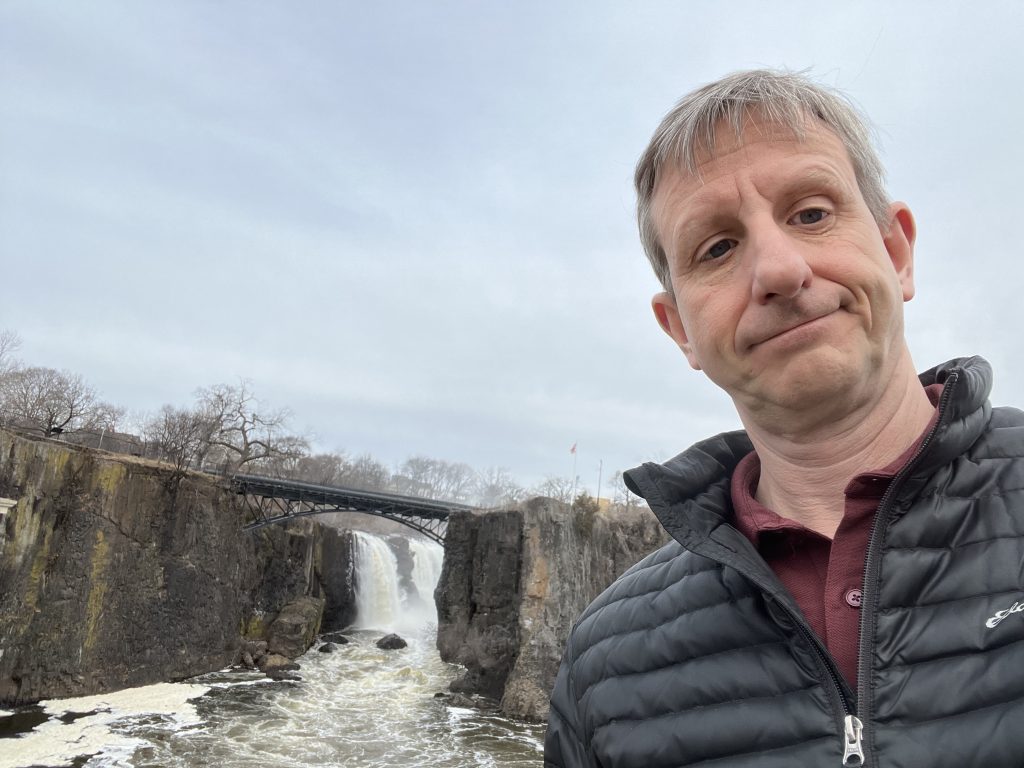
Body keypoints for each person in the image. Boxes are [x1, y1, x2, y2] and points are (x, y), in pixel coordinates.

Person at [544, 69, 1024, 767]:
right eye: (717, 248)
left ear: (897, 252)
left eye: (811, 213)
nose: (778, 269)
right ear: (679, 329)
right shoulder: (602, 664)